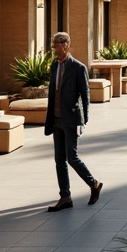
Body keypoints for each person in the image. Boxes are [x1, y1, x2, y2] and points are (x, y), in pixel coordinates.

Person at [43, 31, 103, 212]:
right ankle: (65, 197)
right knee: (59, 160)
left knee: (72, 158)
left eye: (56, 46)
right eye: (53, 46)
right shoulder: (54, 66)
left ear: (66, 45)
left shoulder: (78, 67)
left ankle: (94, 184)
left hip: (71, 119)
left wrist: (83, 120)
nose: (54, 49)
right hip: (56, 119)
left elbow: (85, 95)